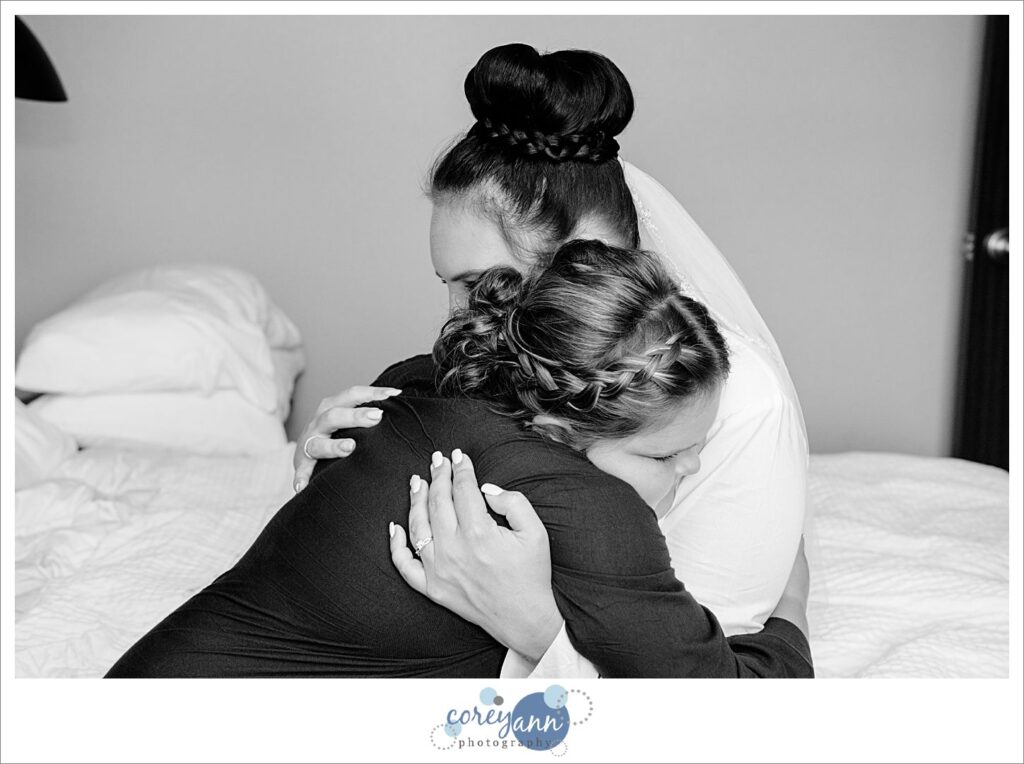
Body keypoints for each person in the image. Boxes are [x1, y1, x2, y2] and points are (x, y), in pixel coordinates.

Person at [291, 43, 809, 676]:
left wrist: (538, 629)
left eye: (482, 283)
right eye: (448, 283)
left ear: (585, 260)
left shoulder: (743, 405)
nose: (459, 318)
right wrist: (342, 471)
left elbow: (696, 690)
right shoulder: (510, 367)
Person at [105, 241, 811, 678]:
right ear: (560, 428)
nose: (691, 472)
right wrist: (791, 608)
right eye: (668, 453)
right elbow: (729, 717)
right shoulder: (595, 510)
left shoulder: (421, 383)